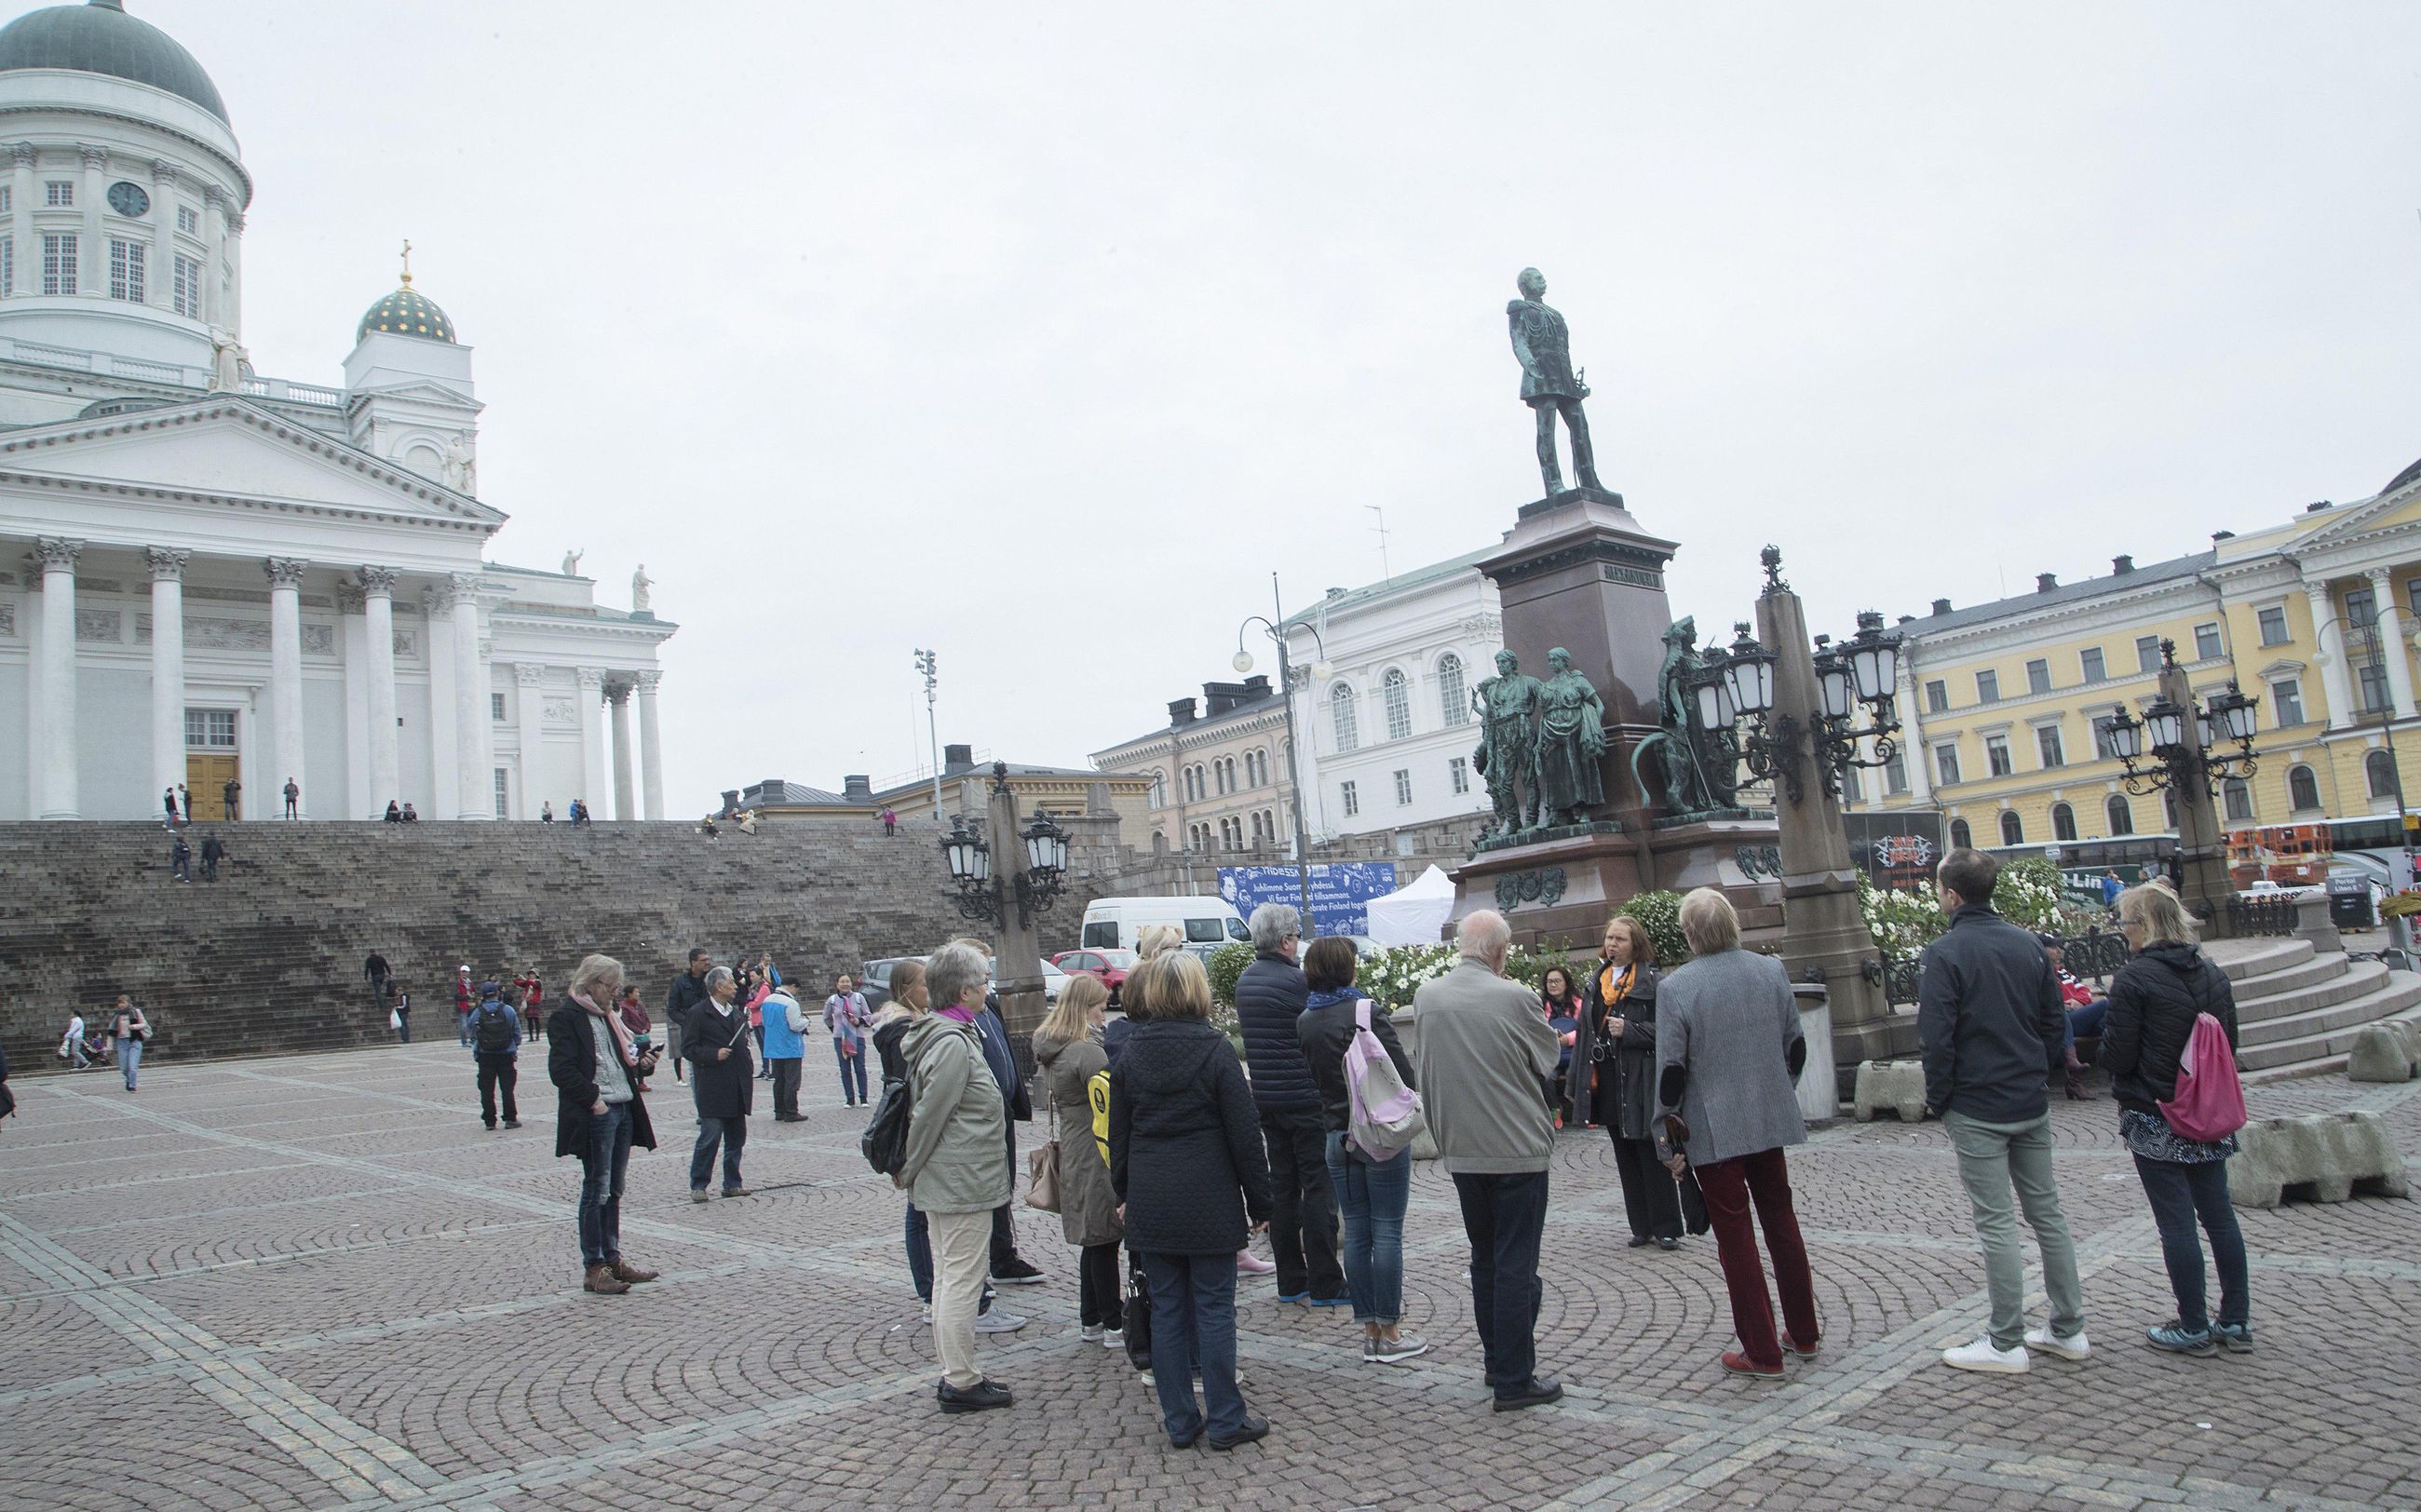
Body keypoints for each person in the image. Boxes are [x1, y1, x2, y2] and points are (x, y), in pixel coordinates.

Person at [1920, 847, 2087, 1374]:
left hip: (1977, 1101)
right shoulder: (2030, 946)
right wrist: (2037, 1072)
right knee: (2047, 1214)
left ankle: (2006, 1339)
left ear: (1951, 894)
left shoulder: (1944, 954)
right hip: (2027, 1095)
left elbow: (1936, 1037)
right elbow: (2051, 1020)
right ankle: (2068, 1327)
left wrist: (1940, 1097)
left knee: (1996, 1223)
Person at [1110, 952, 1274, 1449]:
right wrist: (1261, 1201)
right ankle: (1226, 1419)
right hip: (1208, 1197)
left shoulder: (1131, 1055)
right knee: (1214, 1309)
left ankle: (1180, 1420)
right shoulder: (1215, 1050)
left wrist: (1125, 1194)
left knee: (1168, 1312)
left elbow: (1119, 1137)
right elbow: (1245, 1134)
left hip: (1153, 1198)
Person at [1653, 889, 1818, 1379]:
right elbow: (1796, 1046)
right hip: (1769, 1118)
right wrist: (1778, 1092)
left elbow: (1671, 1073)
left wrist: (1667, 1140)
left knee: (1736, 1239)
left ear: (1689, 934)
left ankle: (1762, 1351)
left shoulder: (1678, 987)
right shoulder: (1770, 970)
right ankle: (1803, 1332)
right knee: (1782, 1223)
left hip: (1714, 1128)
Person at [1413, 909, 1564, 1411]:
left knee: (1485, 1259)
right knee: (1515, 1263)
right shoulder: (1516, 996)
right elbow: (1547, 1059)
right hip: (1516, 1149)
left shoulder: (1427, 996)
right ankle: (1514, 1379)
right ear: (1500, 952)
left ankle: (1498, 1361)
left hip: (1462, 1150)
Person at [2104, 883, 2252, 1357]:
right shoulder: (2212, 973)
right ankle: (2235, 1321)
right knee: (2220, 1217)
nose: (2122, 930)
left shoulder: (2134, 978)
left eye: (2126, 921)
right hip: (2207, 1111)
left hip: (2156, 1113)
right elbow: (2228, 1043)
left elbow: (2120, 1055)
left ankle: (2192, 1325)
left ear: (2144, 925)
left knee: (2177, 1225)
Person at [1296, 936, 1427, 1365]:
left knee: (1356, 1231)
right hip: (1378, 1135)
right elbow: (1401, 1075)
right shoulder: (1365, 1011)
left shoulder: (1306, 1020)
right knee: (1387, 1230)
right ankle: (1389, 1331)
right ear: (1346, 967)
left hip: (1336, 1135)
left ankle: (1369, 1330)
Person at [900, 940, 1018, 1413]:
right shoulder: (950, 1041)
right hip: (960, 1180)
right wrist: (909, 1169)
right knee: (961, 1279)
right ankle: (962, 1381)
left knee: (953, 1277)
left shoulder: (952, 1033)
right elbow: (929, 1115)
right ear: (966, 991)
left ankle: (959, 1374)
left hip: (956, 1175)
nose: (988, 990)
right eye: (984, 983)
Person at [1234, 902, 1347, 1306]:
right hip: (1305, 1098)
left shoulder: (1245, 981)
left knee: (1283, 1189)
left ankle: (1291, 1280)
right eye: (1297, 936)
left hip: (1267, 1098)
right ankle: (1325, 1282)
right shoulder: (1297, 983)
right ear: (1285, 941)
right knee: (1318, 1187)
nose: (1299, 943)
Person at [547, 953, 661, 1295]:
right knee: (596, 1189)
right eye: (610, 987)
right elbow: (561, 1071)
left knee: (614, 1190)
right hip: (599, 1112)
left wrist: (643, 1064)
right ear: (594, 983)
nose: (614, 994)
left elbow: (620, 1062)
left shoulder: (609, 1016)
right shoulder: (567, 1017)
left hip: (623, 1107)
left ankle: (613, 1258)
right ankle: (594, 1266)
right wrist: (594, 1101)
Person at [1033, 974, 1125, 1345]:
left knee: (1092, 1237)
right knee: (1103, 1237)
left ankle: (1091, 1318)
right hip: (1095, 1147)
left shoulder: (1056, 1046)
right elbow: (1111, 1101)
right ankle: (1113, 1322)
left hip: (1074, 1145)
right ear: (1085, 1008)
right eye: (1101, 1007)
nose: (1105, 1014)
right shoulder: (1086, 1050)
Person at [1585, 916, 1686, 1249]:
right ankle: (1641, 1225)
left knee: (1651, 1150)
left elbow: (1671, 1032)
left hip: (1641, 1078)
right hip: (1610, 1078)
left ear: (1636, 944)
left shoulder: (1654, 983)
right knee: (1624, 1153)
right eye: (1609, 938)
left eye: (1620, 939)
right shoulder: (1596, 982)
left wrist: (1631, 1032)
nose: (1613, 944)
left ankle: (1667, 1225)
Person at [951, 938, 1047, 1289]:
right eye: (983, 971)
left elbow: (1002, 1048)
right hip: (977, 1120)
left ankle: (1003, 1256)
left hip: (1000, 1111)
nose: (989, 978)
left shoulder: (988, 1006)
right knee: (983, 1193)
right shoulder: (954, 1022)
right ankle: (982, 1271)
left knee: (1002, 1185)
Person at [683, 965, 753, 1201]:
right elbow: (689, 1048)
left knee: (736, 1139)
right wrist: (713, 1054)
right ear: (718, 986)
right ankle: (699, 1184)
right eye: (731, 983)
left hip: (736, 1084)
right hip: (713, 1085)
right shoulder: (698, 1013)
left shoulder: (735, 1012)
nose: (735, 986)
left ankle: (732, 1182)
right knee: (710, 1137)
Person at [2043, 935, 2105, 1100]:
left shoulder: (2064, 974)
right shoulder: (2039, 974)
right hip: (2057, 1023)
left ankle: (2078, 1077)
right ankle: (2075, 1077)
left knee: (2104, 1020)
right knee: (2106, 1005)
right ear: (2041, 949)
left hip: (2075, 1019)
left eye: (2058, 947)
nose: (2058, 951)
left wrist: (2077, 1000)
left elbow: (2085, 992)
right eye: (2053, 947)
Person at [467, 981, 522, 1130]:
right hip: (505, 1054)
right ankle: (510, 1118)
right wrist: (513, 1047)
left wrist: (478, 1047)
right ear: (497, 993)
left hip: (485, 1055)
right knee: (507, 1088)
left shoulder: (477, 1013)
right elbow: (517, 1033)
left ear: (483, 995)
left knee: (486, 1089)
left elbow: (472, 1033)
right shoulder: (508, 1010)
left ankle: (490, 1121)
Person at [761, 977, 809, 1121]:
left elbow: (764, 1022)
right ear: (793, 986)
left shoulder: (767, 1000)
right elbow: (795, 1025)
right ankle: (791, 1112)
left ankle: (779, 1111)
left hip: (773, 1046)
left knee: (779, 1080)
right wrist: (806, 1021)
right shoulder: (790, 1003)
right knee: (792, 1081)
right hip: (790, 1046)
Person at [1539, 965, 1581, 1124]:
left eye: (1557, 981)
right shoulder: (1540, 1005)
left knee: (1574, 1075)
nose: (1553, 985)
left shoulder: (1579, 1004)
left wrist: (1567, 1039)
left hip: (1574, 1053)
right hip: (1552, 1053)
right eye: (1550, 982)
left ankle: (1581, 1110)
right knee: (1545, 1076)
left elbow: (1585, 1030)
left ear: (1566, 983)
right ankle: (1555, 1108)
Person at [666, 948, 712, 1087]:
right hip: (692, 1031)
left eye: (708, 959)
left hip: (711, 1027)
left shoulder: (711, 978)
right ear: (693, 962)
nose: (707, 963)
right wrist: (688, 1021)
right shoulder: (680, 982)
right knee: (695, 1071)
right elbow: (672, 1009)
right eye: (703, 960)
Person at [825, 974, 873, 1108]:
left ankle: (863, 1097)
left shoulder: (859, 998)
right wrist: (835, 1030)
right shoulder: (832, 1000)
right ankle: (849, 1098)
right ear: (837, 984)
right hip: (840, 1038)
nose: (845, 984)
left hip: (857, 1036)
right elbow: (826, 1017)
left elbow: (868, 1015)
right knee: (845, 1069)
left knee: (860, 1068)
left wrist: (859, 1021)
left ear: (851, 984)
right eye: (842, 982)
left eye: (847, 981)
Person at [617, 986, 655, 1091]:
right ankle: (634, 1081)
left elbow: (646, 1019)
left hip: (643, 1038)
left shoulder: (639, 1006)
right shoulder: (624, 1007)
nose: (638, 994)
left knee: (644, 1057)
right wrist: (638, 1030)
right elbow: (626, 1022)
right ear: (629, 994)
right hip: (632, 1038)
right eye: (636, 992)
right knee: (635, 1058)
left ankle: (641, 1081)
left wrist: (647, 1028)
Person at [109, 996, 150, 1092]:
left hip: (134, 1041)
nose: (121, 1005)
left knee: (132, 1066)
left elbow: (144, 1024)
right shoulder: (116, 1015)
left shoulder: (136, 1011)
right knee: (124, 1068)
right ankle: (129, 1079)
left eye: (123, 1002)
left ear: (128, 1003)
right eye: (119, 1003)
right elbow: (111, 1031)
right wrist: (109, 1046)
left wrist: (133, 1026)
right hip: (122, 1042)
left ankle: (132, 1085)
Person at [364, 952, 391, 1016]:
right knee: (379, 989)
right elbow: (386, 966)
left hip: (375, 976)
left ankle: (382, 1006)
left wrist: (365, 978)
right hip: (382, 975)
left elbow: (367, 969)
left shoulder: (369, 959)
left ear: (370, 953)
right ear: (375, 952)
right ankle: (382, 1001)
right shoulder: (381, 958)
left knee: (378, 991)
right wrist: (390, 974)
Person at [453, 966, 475, 1046]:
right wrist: (467, 996)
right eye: (463, 972)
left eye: (466, 972)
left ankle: (473, 1039)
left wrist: (473, 996)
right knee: (464, 1025)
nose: (464, 973)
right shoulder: (458, 983)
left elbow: (473, 992)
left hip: (470, 1005)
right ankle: (464, 1042)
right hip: (462, 1006)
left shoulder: (470, 982)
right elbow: (456, 996)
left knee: (473, 1023)